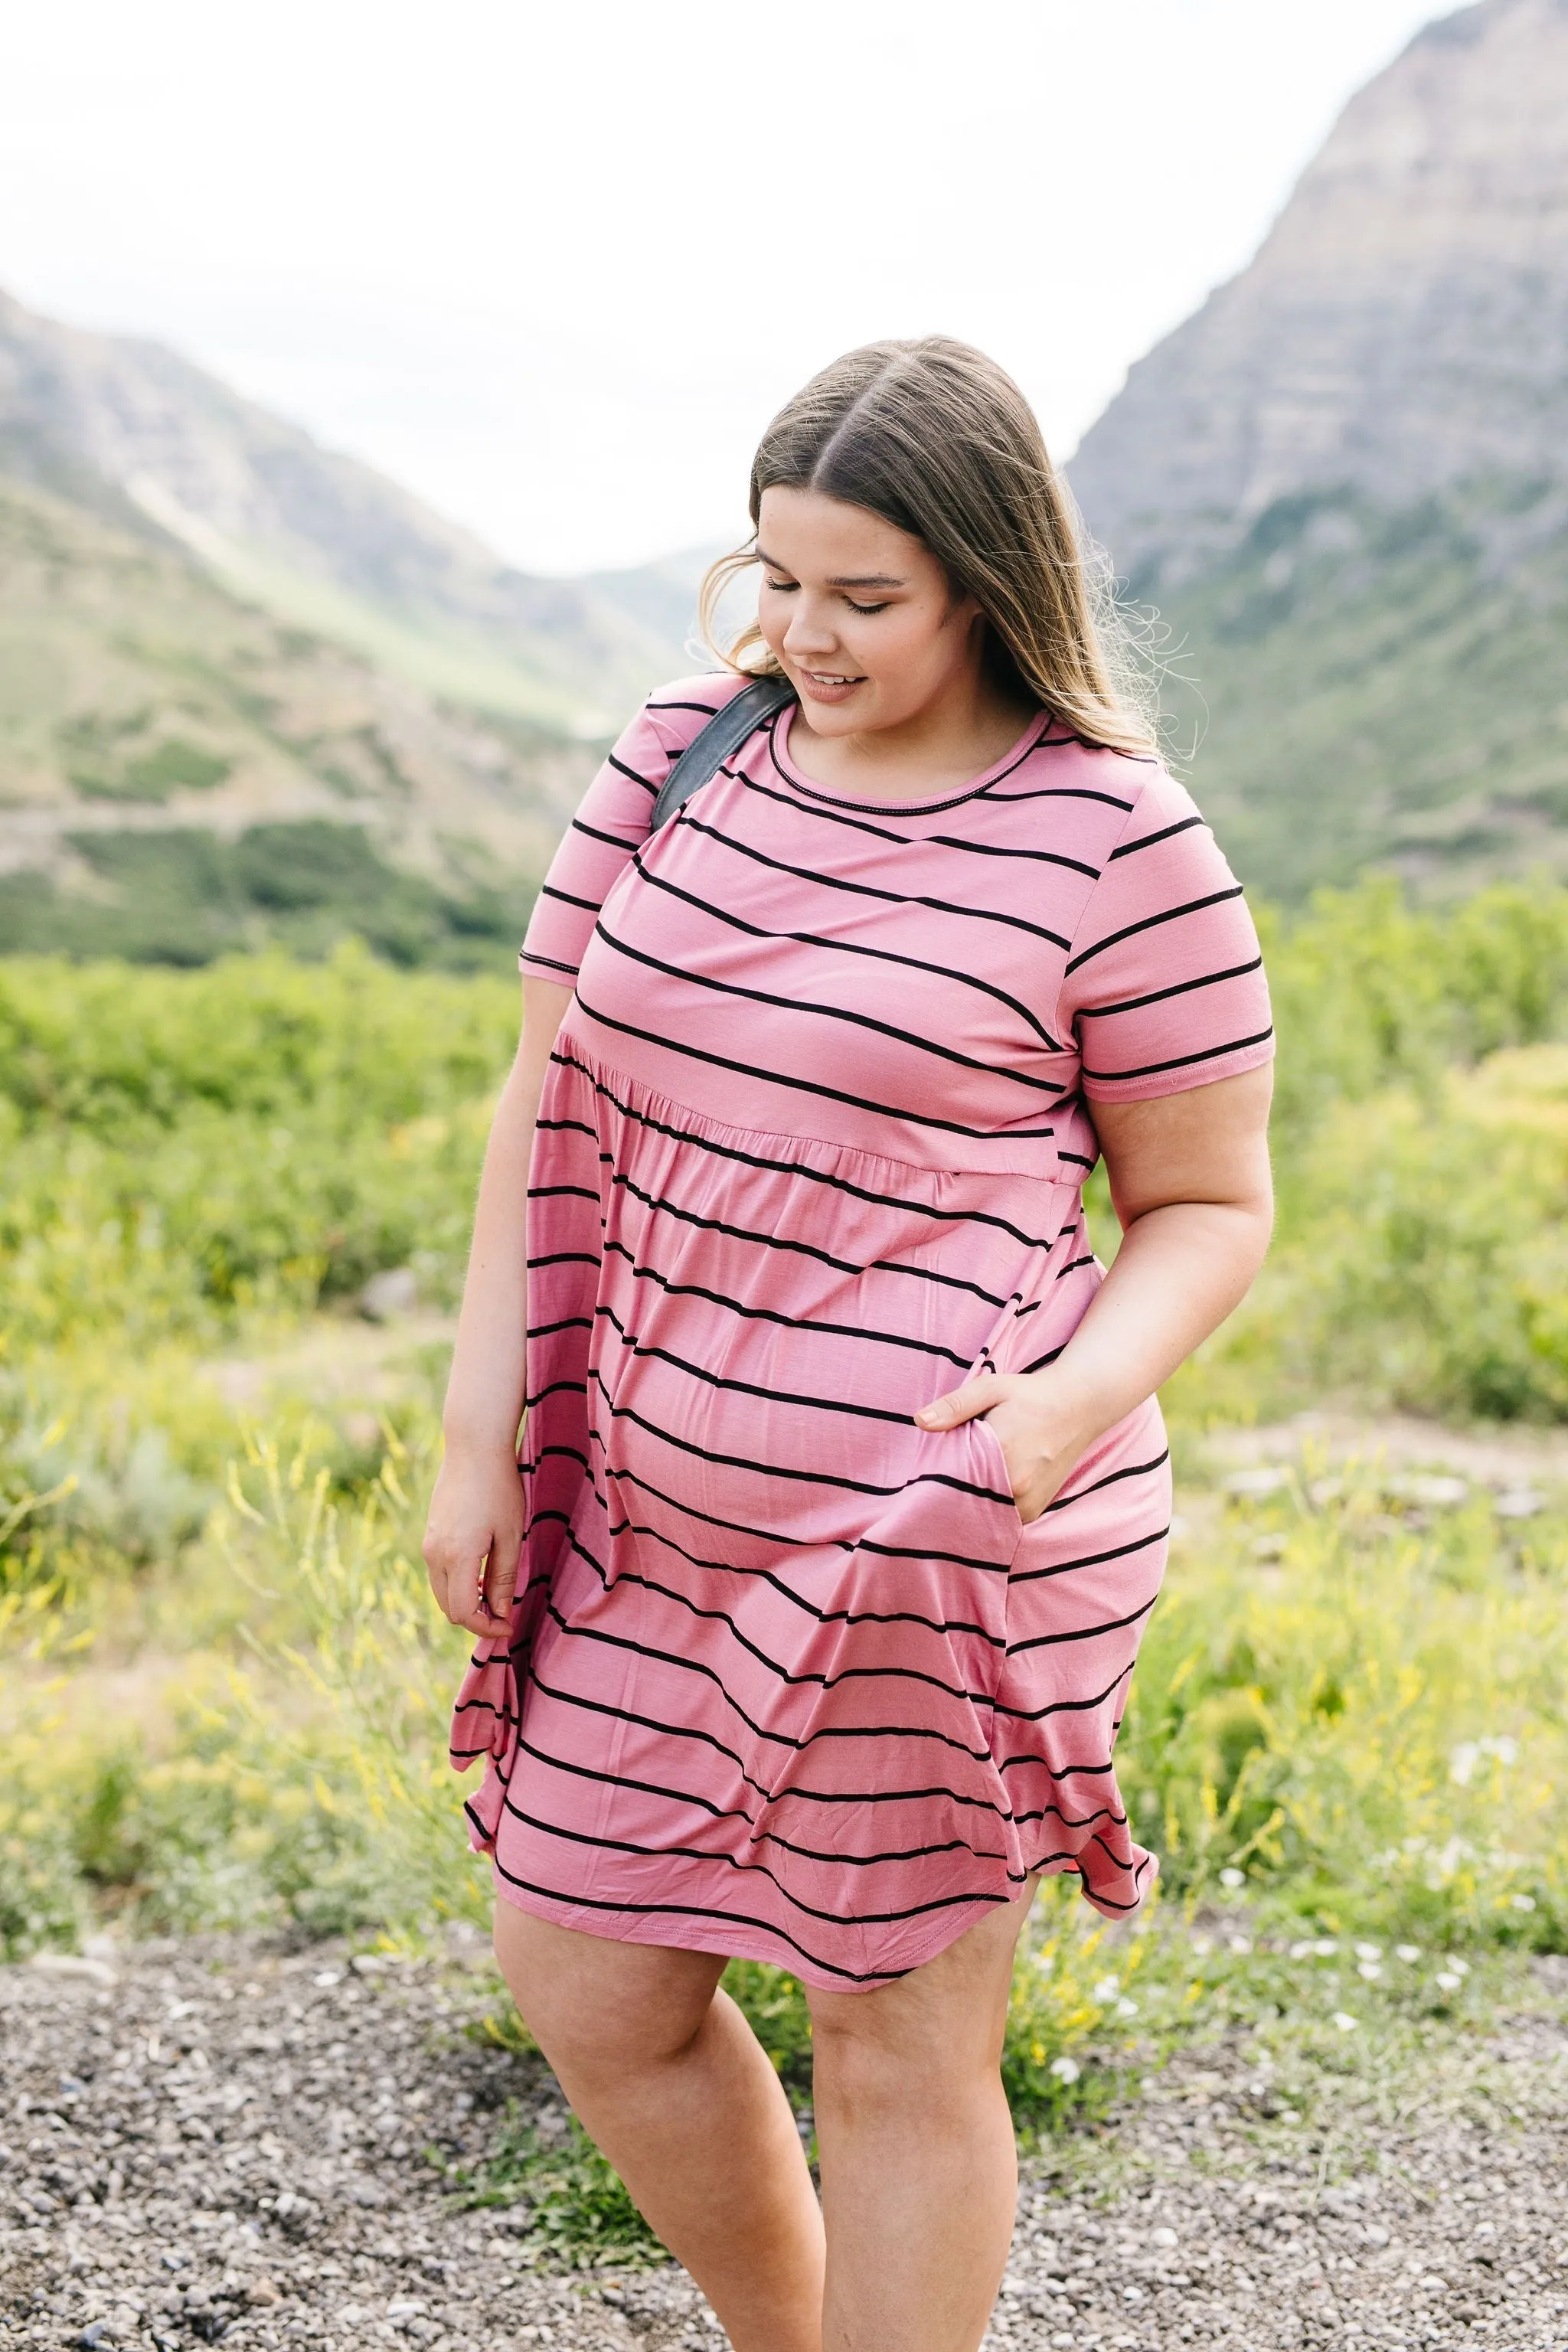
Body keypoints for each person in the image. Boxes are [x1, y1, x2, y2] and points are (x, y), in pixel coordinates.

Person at [423, 336, 1274, 2352]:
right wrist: (483, 1433)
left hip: (932, 1530)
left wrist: (1065, 1409)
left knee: (898, 2046)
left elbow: (1213, 1208)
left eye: (862, 598)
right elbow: (544, 1084)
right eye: (775, 578)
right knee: (590, 1984)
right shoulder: (684, 752)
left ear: (991, 579)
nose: (801, 633)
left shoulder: (1115, 841)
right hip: (637, 1509)